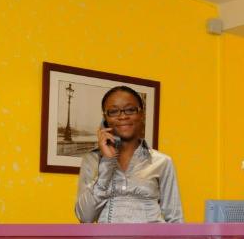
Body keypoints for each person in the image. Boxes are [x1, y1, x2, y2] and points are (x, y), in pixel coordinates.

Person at [74, 85, 183, 223]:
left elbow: (175, 220)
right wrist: (106, 163)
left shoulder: (162, 162)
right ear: (105, 118)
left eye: (130, 110)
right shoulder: (92, 160)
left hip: (153, 238)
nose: (123, 116)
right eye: (114, 111)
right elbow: (85, 217)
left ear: (141, 114)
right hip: (106, 238)